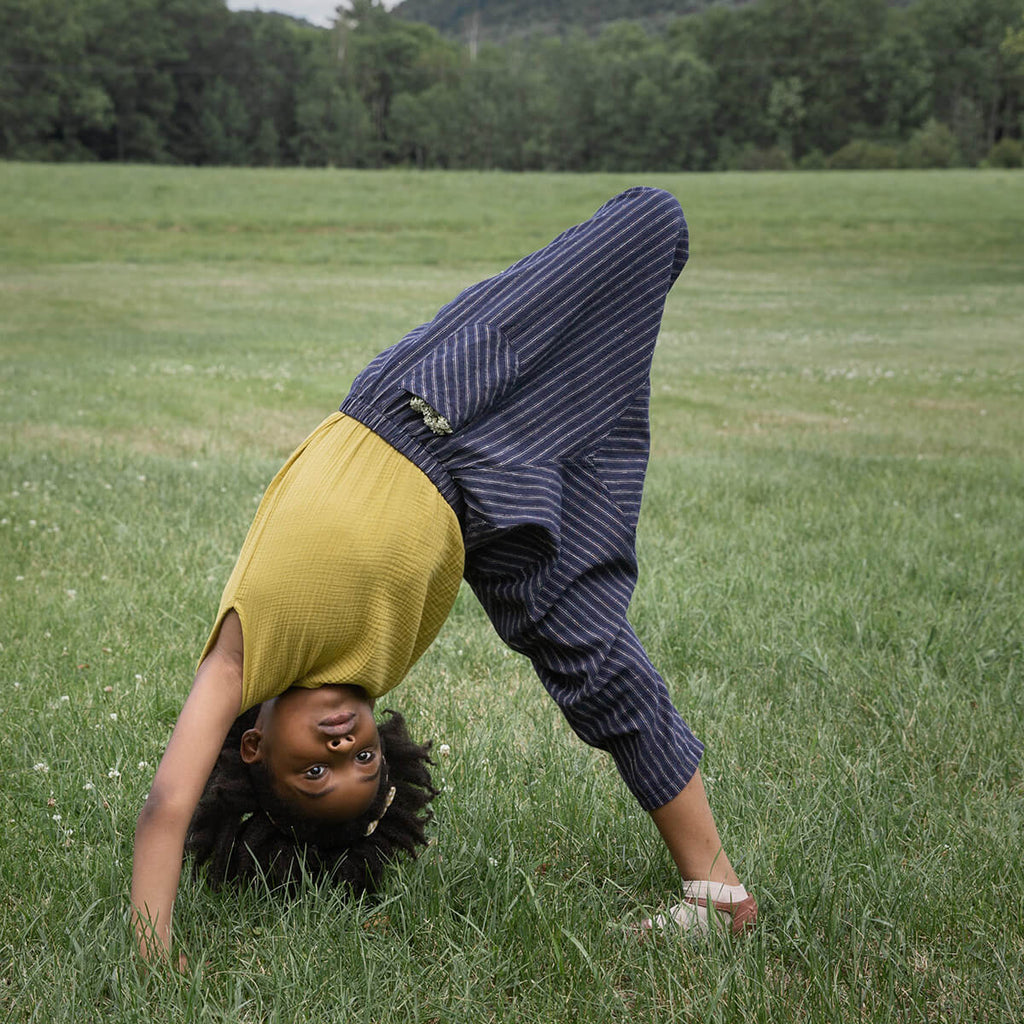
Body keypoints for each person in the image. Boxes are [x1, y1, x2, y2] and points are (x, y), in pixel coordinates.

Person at [130, 186, 757, 964]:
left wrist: (151, 954)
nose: (343, 746)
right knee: (593, 655)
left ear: (254, 748)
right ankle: (717, 891)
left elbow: (166, 805)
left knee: (650, 221)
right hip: (486, 522)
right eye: (364, 761)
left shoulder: (238, 661)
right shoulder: (370, 666)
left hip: (430, 404)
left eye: (314, 769)